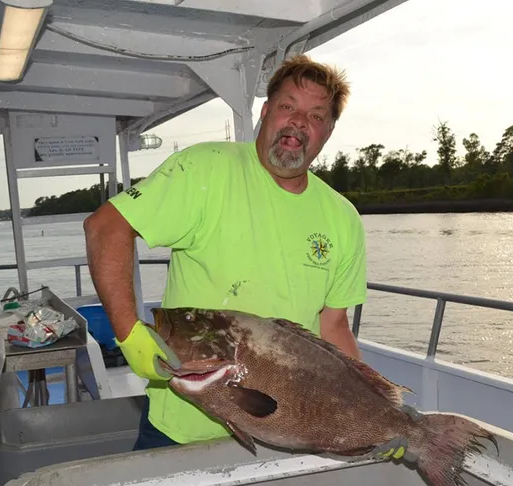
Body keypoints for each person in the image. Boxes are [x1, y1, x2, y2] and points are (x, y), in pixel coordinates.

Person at [84, 54, 403, 458]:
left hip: (291, 433)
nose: (298, 122)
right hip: (183, 429)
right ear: (266, 112)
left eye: (316, 115)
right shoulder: (204, 170)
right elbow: (105, 227)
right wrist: (129, 334)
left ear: (328, 132)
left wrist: (379, 416)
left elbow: (334, 325)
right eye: (288, 106)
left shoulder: (342, 218)